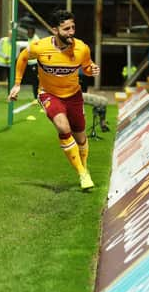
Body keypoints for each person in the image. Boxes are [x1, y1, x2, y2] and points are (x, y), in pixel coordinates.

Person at [8, 10, 100, 190]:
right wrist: (17, 84)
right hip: (48, 94)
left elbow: (87, 67)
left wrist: (92, 70)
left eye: (73, 27)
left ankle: (84, 167)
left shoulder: (82, 48)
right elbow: (23, 57)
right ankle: (82, 174)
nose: (72, 32)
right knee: (63, 127)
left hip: (73, 95)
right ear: (55, 30)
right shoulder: (39, 47)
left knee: (80, 137)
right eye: (66, 29)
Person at [22, 25, 40, 99]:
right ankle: (36, 97)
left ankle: (37, 97)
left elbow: (36, 51)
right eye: (28, 33)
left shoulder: (36, 40)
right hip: (30, 62)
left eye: (30, 33)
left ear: (33, 33)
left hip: (35, 63)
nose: (28, 34)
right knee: (33, 80)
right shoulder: (30, 39)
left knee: (35, 81)